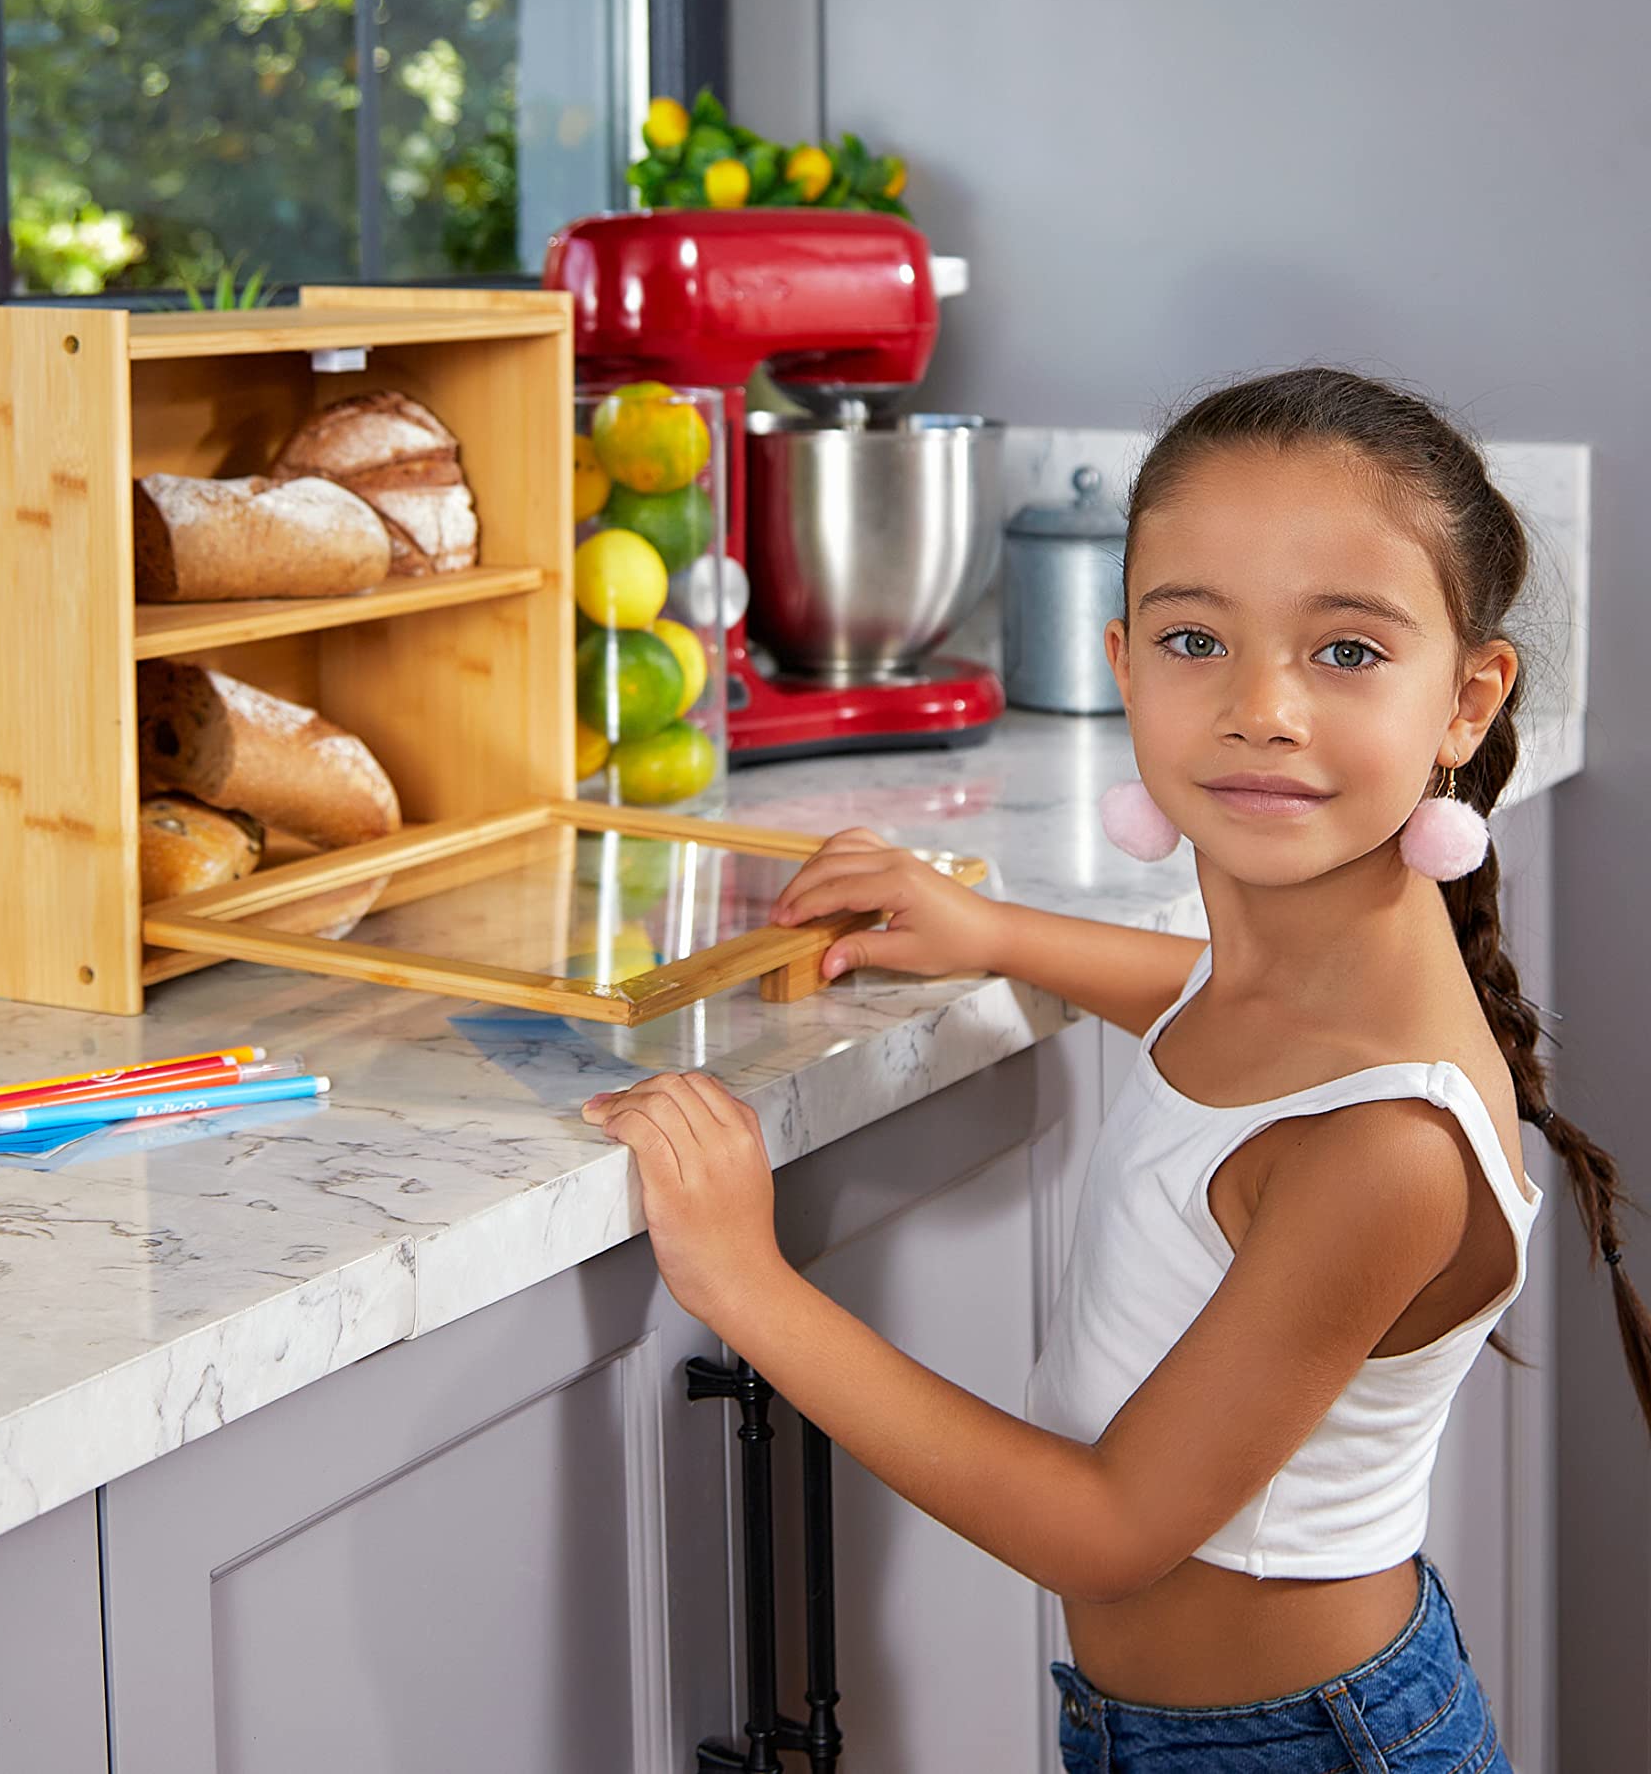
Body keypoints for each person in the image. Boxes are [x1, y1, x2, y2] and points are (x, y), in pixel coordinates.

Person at [583, 368, 1650, 1772]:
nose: (1262, 707)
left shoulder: (1381, 1148)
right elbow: (1214, 1003)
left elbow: (1103, 1522)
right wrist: (992, 929)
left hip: (1293, 1749)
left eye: (1346, 652)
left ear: (1468, 698)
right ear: (1121, 664)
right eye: (1197, 637)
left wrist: (746, 1285)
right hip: (1203, 1726)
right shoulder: (1313, 974)